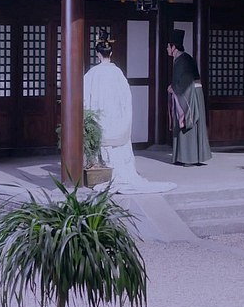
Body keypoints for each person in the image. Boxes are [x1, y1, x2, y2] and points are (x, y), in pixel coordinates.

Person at [84, 29, 176, 194]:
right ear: (111, 53)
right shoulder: (118, 74)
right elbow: (126, 99)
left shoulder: (92, 74)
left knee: (103, 142)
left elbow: (84, 99)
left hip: (100, 118)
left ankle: (100, 174)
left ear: (97, 54)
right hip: (116, 118)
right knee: (118, 149)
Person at [167, 29, 212, 166]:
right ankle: (183, 157)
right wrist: (174, 87)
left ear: (174, 47)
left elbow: (186, 81)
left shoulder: (183, 60)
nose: (167, 49)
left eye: (168, 46)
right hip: (190, 92)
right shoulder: (182, 59)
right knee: (185, 126)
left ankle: (190, 158)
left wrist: (174, 88)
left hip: (190, 94)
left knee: (189, 124)